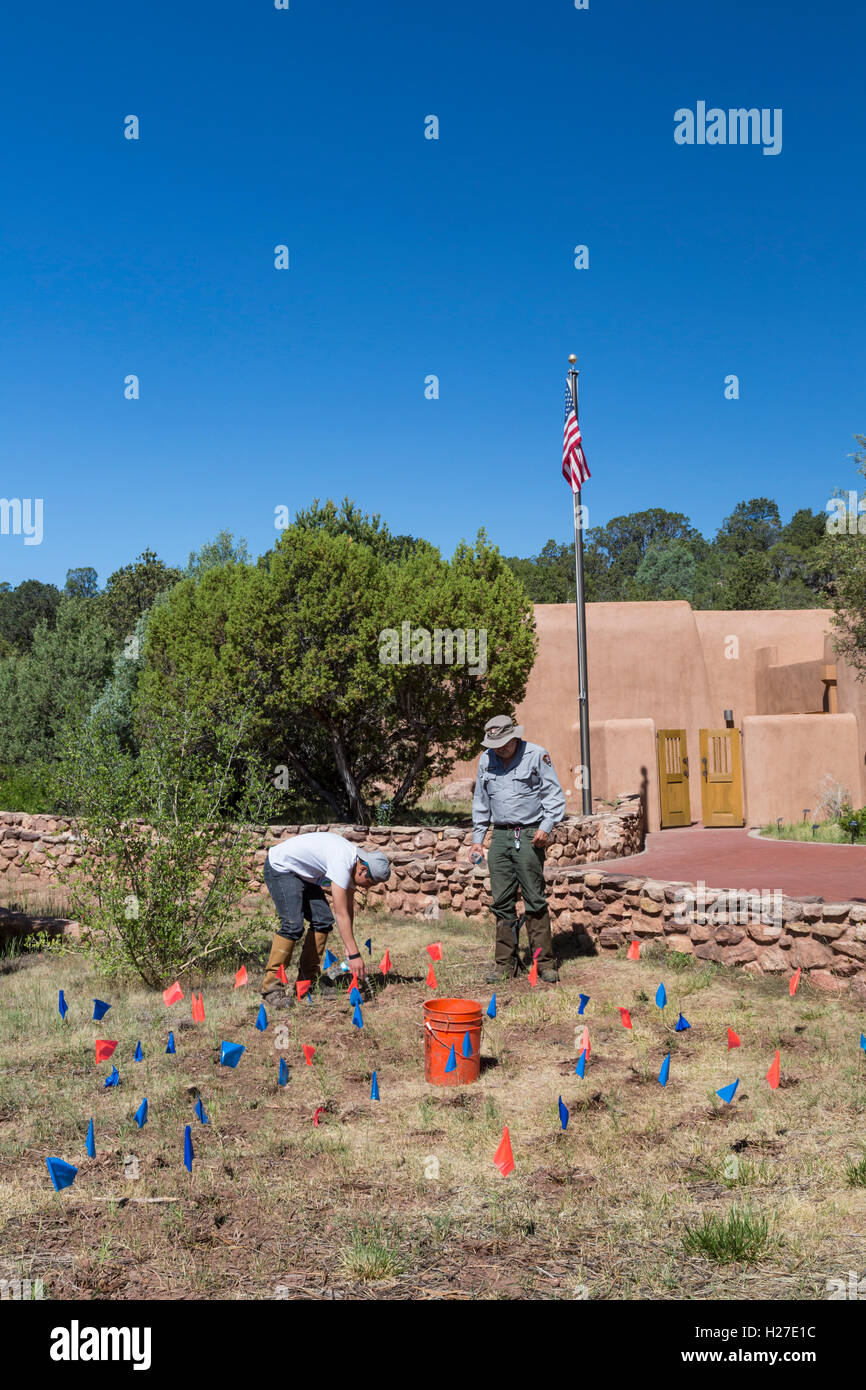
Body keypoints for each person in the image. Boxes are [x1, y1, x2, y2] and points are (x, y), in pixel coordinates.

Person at [470, 714, 566, 984]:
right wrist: (478, 838)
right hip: (500, 836)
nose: (499, 748)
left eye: (504, 742)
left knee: (534, 899)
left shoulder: (537, 755)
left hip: (529, 834)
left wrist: (546, 827)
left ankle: (544, 962)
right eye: (494, 743)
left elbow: (553, 795)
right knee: (501, 901)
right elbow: (481, 800)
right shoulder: (486, 759)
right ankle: (505, 964)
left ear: (515, 736)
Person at [260, 830, 391, 1007]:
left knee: (322, 920)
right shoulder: (343, 861)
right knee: (293, 925)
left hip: (303, 875)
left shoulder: (353, 864)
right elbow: (340, 912)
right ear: (363, 869)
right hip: (281, 868)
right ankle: (271, 988)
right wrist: (354, 954)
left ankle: (306, 984)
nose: (368, 888)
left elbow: (348, 907)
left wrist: (349, 947)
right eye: (370, 882)